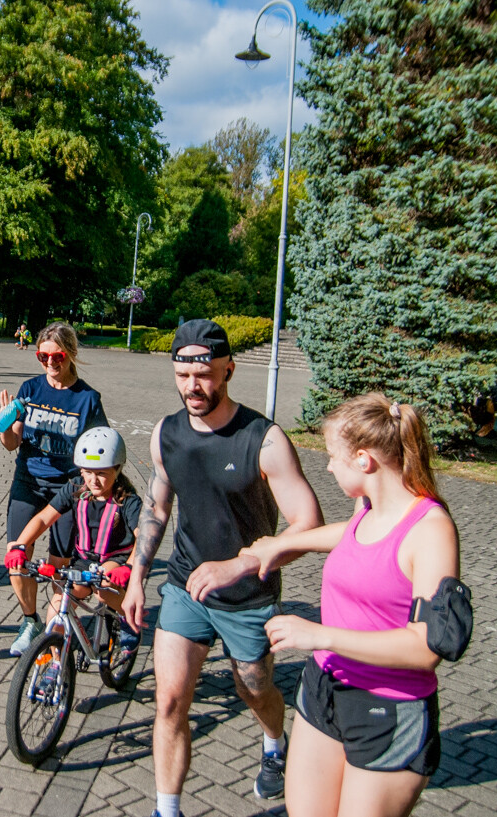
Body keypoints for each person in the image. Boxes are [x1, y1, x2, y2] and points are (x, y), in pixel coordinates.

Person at [120, 318, 324, 813]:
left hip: (247, 596)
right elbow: (157, 508)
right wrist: (136, 577)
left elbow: (308, 525)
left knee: (254, 689)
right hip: (185, 588)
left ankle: (274, 743)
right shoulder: (167, 434)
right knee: (170, 701)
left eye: (204, 375)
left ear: (228, 370)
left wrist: (240, 564)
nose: (193, 386)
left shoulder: (263, 439)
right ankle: (166, 808)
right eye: (183, 375)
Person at [240, 394, 461, 817]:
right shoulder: (370, 507)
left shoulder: (431, 530)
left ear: (364, 459)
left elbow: (425, 649)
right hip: (324, 688)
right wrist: (281, 545)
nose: (327, 467)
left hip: (386, 708)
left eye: (332, 456)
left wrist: (320, 635)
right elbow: (354, 535)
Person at [0, 322, 108, 655]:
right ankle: (30, 621)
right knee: (16, 555)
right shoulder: (30, 389)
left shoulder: (87, 399)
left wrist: (97, 488)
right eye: (43, 356)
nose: (50, 363)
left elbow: (100, 448)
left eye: (57, 356)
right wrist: (4, 427)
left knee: (59, 564)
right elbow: (12, 444)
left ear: (70, 354)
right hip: (28, 483)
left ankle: (56, 626)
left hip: (69, 489)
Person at [5, 426, 141, 660]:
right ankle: (57, 666)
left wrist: (129, 566)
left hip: (114, 560)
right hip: (84, 560)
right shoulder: (76, 488)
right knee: (57, 609)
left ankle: (128, 617)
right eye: (88, 472)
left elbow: (145, 539)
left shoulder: (127, 500)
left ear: (117, 468)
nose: (93, 480)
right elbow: (44, 518)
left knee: (104, 588)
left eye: (102, 473)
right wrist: (20, 545)